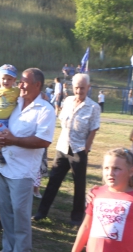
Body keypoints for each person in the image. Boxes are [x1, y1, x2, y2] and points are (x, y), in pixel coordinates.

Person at [0, 68, 56, 252]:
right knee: (5, 210)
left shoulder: (45, 110)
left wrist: (14, 140)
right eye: (20, 81)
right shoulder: (15, 103)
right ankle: (8, 248)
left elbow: (43, 141)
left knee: (20, 212)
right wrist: (1, 136)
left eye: (25, 82)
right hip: (5, 164)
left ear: (38, 85)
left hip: (23, 171)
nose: (20, 85)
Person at [34, 74, 101, 226]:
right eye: (76, 87)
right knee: (53, 181)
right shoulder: (68, 100)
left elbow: (93, 129)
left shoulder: (94, 107)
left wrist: (86, 149)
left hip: (79, 149)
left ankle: (77, 217)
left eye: (82, 88)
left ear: (88, 88)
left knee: (79, 184)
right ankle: (41, 212)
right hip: (63, 147)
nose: (79, 91)